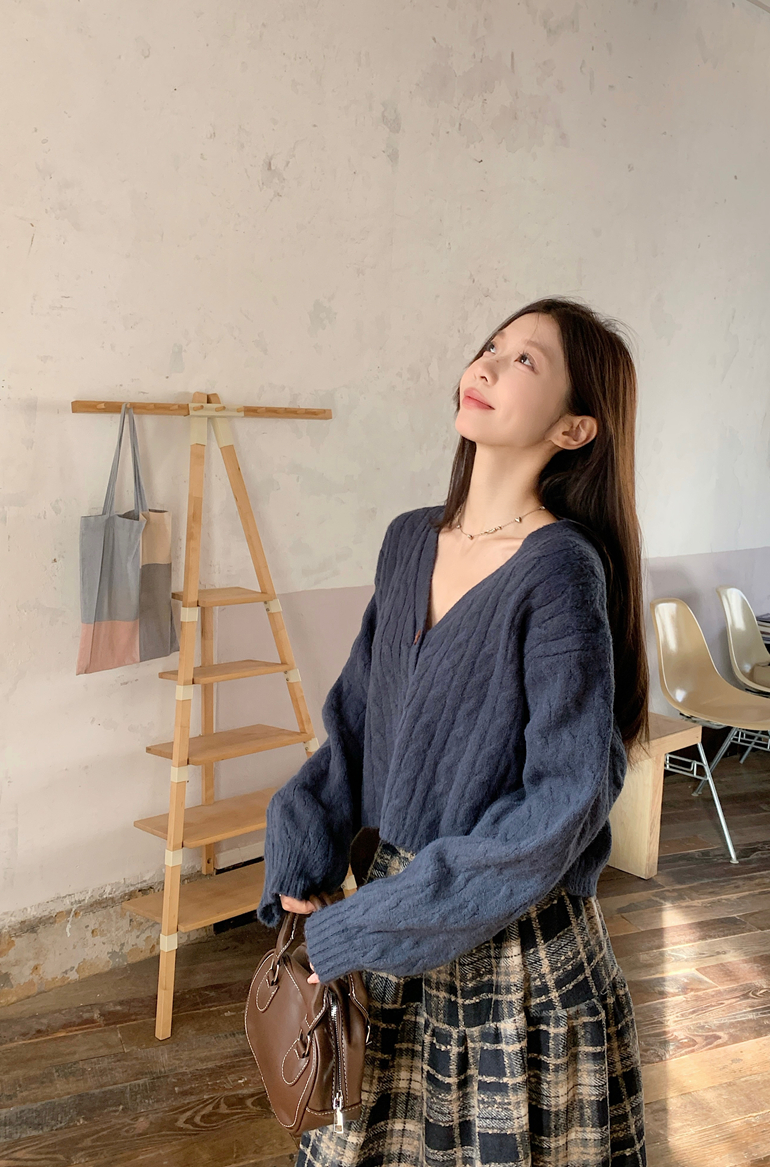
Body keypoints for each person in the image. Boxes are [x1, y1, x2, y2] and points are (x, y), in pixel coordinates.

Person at [256, 296, 651, 1166]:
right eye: (492, 346)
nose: (488, 365)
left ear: (576, 429)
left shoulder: (561, 571)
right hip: (392, 927)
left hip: (511, 964)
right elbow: (358, 722)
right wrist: (302, 844)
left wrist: (366, 925)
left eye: (526, 361)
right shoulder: (408, 542)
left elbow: (565, 801)